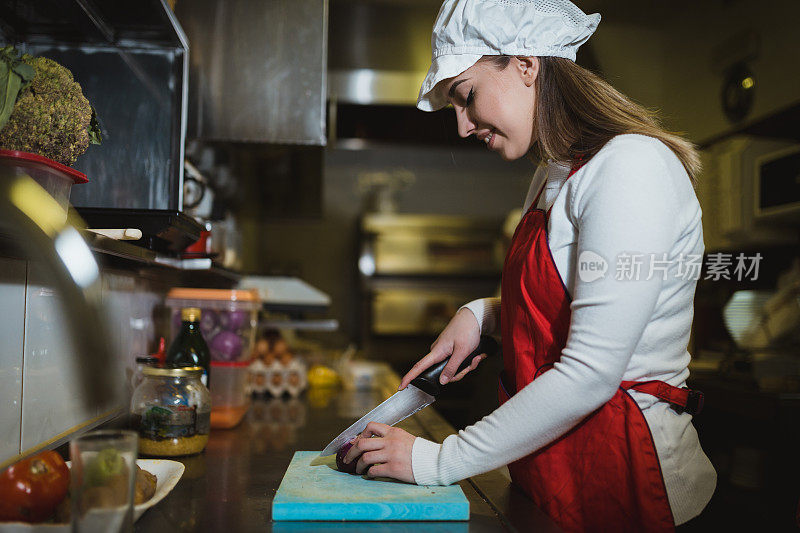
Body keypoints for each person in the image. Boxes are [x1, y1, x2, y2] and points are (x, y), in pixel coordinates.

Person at [341, 0, 717, 530]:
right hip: (552, 470)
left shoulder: (631, 167)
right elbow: (573, 295)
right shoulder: (554, 176)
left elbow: (590, 371)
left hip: (629, 470)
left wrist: (437, 461)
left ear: (525, 62)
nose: (462, 127)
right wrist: (483, 315)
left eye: (466, 96)